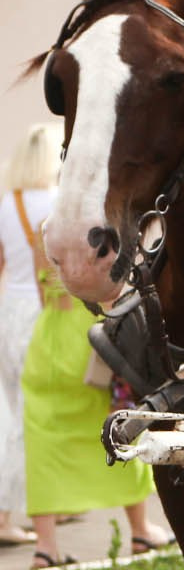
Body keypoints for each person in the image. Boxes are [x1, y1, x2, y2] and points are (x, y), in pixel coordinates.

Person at [9, 121, 168, 567]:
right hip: (91, 342)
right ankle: (140, 531)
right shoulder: (100, 226)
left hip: (47, 340)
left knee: (43, 440)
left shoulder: (47, 230)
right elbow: (115, 288)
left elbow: (46, 292)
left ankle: (46, 547)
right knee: (120, 429)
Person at [0, 129, 52, 545]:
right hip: (41, 315)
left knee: (13, 413)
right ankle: (7, 516)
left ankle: (38, 506)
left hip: (8, 314)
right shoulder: (54, 206)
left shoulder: (6, 205)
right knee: (36, 418)